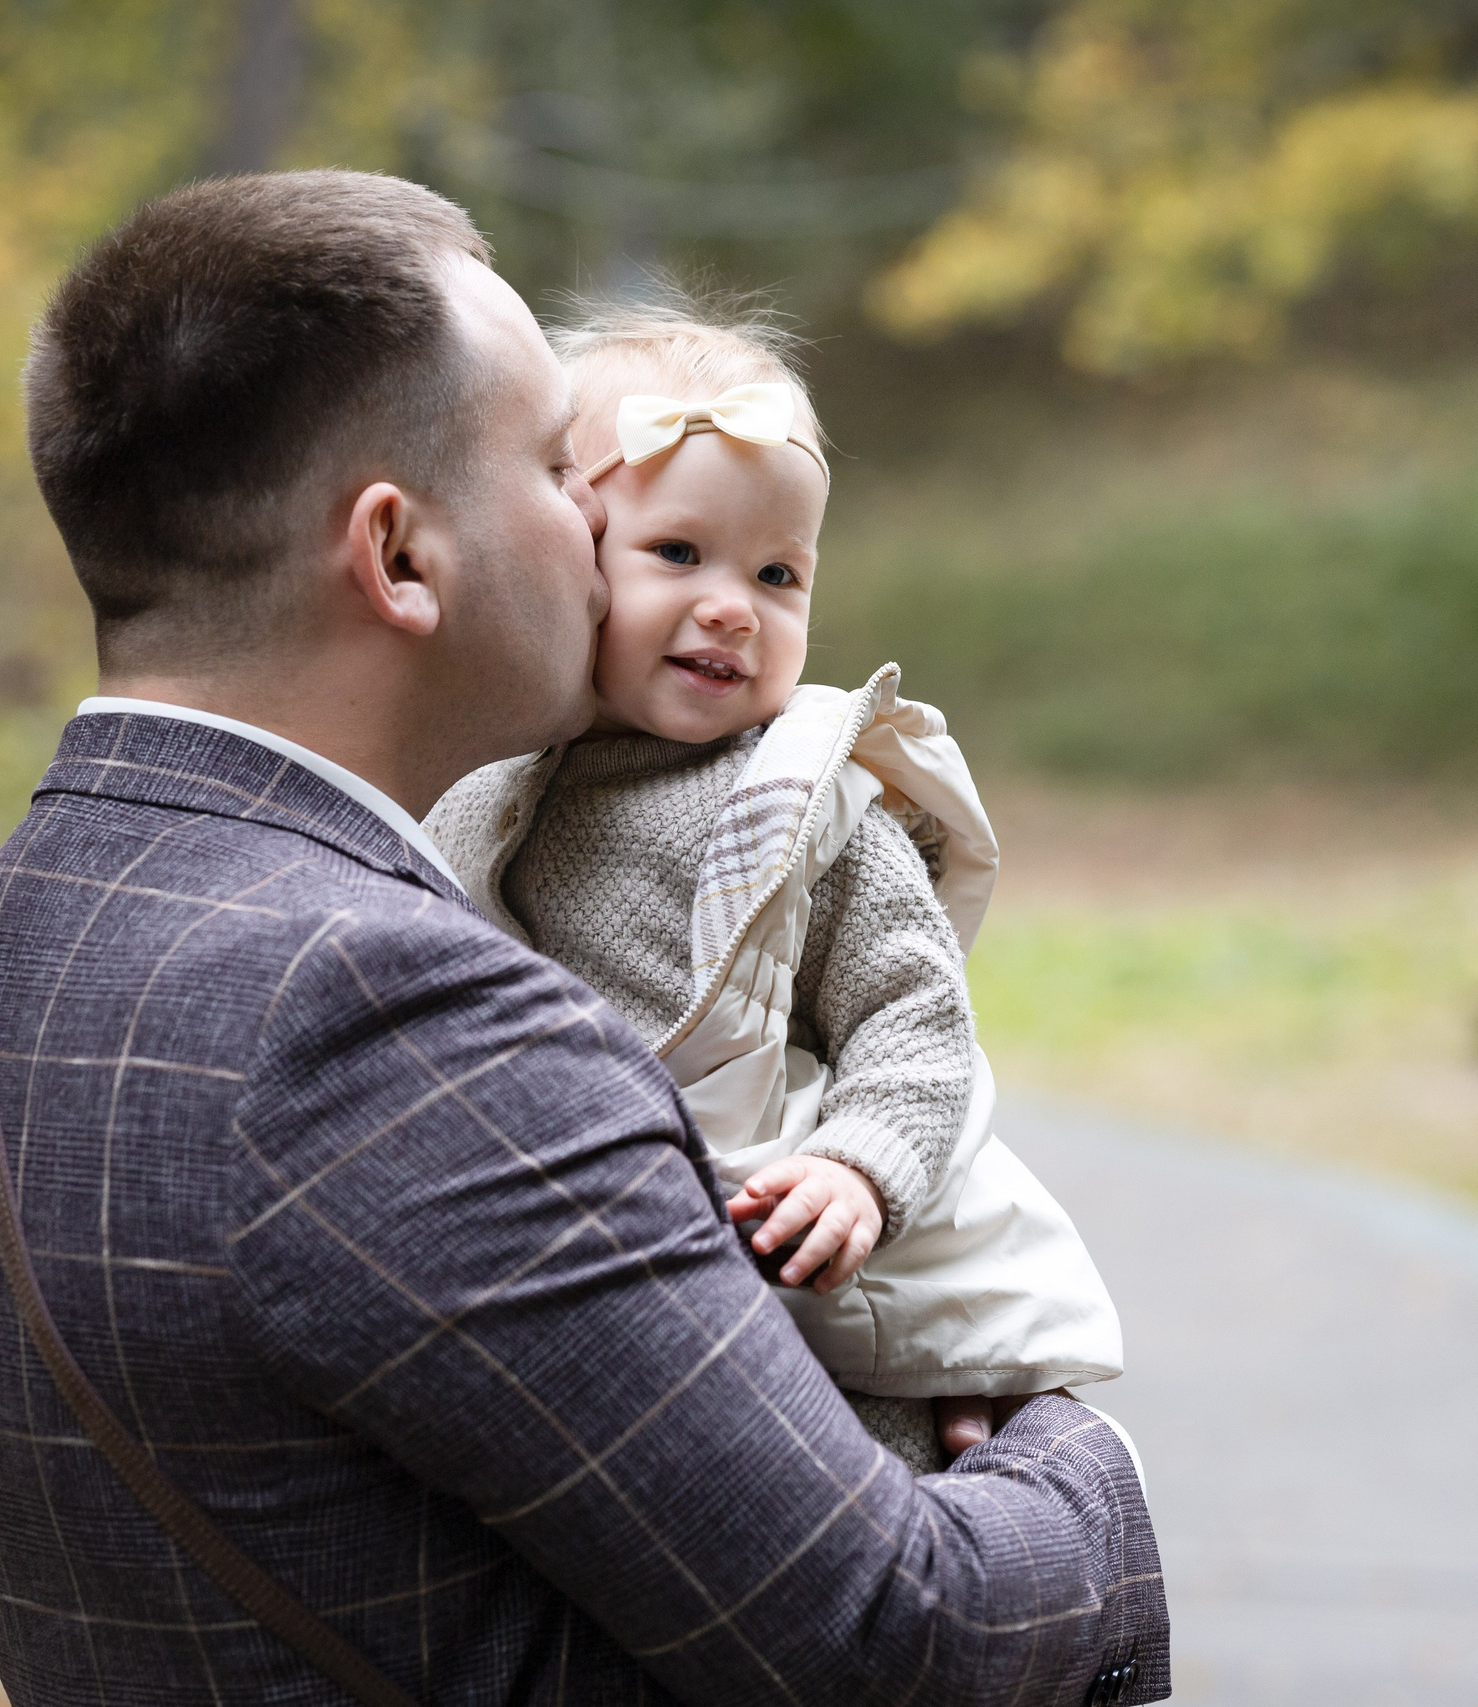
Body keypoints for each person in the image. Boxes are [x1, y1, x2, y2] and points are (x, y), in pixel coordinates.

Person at [0, 169, 1167, 1704]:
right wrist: (1080, 1463)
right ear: (402, 556)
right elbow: (895, 1639)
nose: (597, 528)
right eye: (561, 470)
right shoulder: (396, 1020)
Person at [424, 295, 1125, 1475]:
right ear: (572, 551)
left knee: (857, 1486)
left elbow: (915, 1017)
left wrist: (858, 1167)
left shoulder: (803, 800)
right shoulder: (481, 789)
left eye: (777, 574)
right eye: (677, 554)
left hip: (794, 1273)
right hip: (585, 1275)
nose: (729, 607)